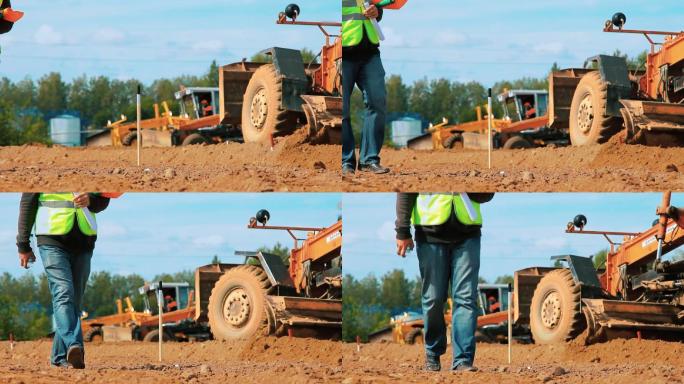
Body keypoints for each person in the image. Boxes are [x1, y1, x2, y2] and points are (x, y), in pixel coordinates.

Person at [395, 192, 494, 372]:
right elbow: (406, 191)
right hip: (429, 233)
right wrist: (402, 230)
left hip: (468, 234)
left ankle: (463, 361)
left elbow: (487, 194)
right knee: (432, 299)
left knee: (465, 299)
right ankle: (432, 354)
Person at [17, 193, 110, 369]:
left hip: (84, 241)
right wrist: (23, 243)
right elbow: (28, 202)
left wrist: (92, 200)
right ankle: (74, 346)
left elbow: (104, 199)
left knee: (74, 302)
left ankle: (59, 358)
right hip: (51, 239)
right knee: (63, 292)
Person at [341, 0, 389, 175]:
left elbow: (377, 6)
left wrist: (377, 11)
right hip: (342, 51)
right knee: (342, 110)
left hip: (370, 51)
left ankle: (369, 160)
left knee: (377, 102)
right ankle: (345, 161)